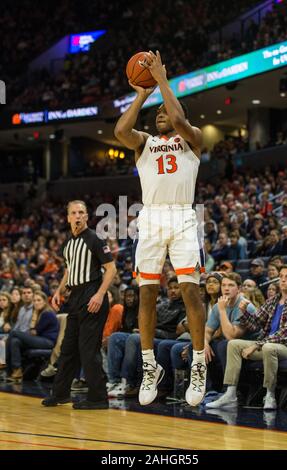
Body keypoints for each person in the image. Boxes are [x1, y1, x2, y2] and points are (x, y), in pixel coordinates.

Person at [115, 50, 206, 407]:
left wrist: (163, 80)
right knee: (147, 293)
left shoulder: (192, 138)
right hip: (151, 218)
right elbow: (121, 130)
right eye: (158, 113)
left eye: (165, 110)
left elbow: (181, 118)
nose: (162, 115)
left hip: (183, 216)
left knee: (190, 291)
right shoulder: (145, 143)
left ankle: (199, 362)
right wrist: (142, 93)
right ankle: (150, 365)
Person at [42, 200, 117, 410]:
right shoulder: (67, 243)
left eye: (81, 212)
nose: (77, 216)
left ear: (86, 216)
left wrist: (100, 294)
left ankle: (98, 398)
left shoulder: (95, 238)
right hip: (75, 297)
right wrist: (59, 290)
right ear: (67, 217)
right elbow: (70, 270)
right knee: (68, 349)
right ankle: (61, 394)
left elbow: (111, 269)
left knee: (88, 349)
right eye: (73, 213)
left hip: (92, 294)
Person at [206, 265, 287, 410]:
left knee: (269, 347)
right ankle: (230, 393)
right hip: (269, 345)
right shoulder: (273, 301)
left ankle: (270, 395)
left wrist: (257, 345)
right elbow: (255, 323)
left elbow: (285, 334)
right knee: (233, 344)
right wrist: (244, 312)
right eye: (281, 276)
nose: (283, 279)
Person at [6, 291, 59, 382]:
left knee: (14, 333)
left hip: (48, 341)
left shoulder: (47, 313)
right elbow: (33, 332)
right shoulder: (39, 312)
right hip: (40, 339)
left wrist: (34, 318)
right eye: (34, 301)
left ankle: (8, 369)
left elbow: (34, 332)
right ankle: (17, 370)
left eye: (39, 300)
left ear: (44, 301)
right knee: (15, 341)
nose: (36, 302)